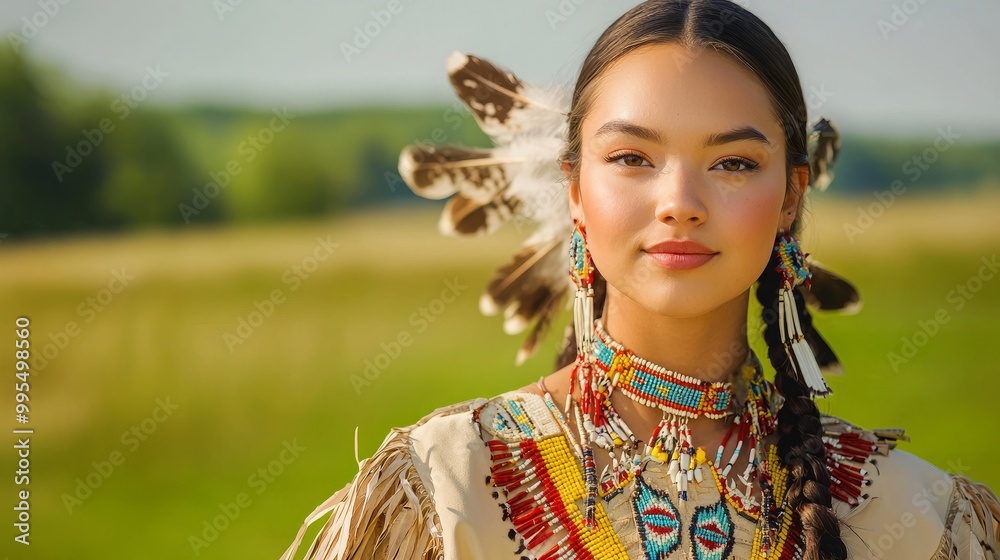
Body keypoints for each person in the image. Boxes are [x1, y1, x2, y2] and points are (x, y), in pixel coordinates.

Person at [280, 1, 1000, 558]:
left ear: (791, 196)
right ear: (573, 190)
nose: (679, 202)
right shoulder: (449, 490)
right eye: (631, 157)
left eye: (734, 163)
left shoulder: (914, 516)